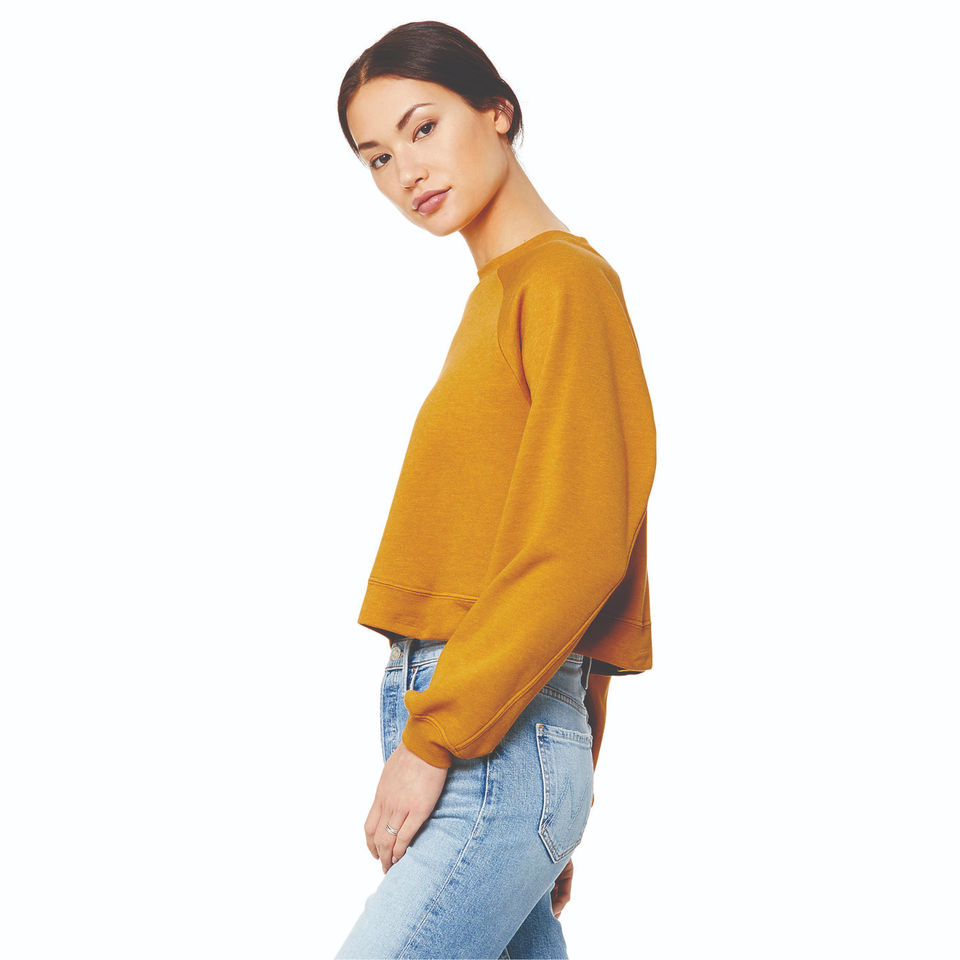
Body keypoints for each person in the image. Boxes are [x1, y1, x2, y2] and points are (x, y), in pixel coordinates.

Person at [334, 20, 657, 960]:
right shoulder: (500, 297)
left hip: (486, 736)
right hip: (490, 729)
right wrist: (565, 779)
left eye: (423, 128)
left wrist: (437, 741)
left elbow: (582, 550)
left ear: (498, 111)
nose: (406, 172)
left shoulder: (564, 283)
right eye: (377, 157)